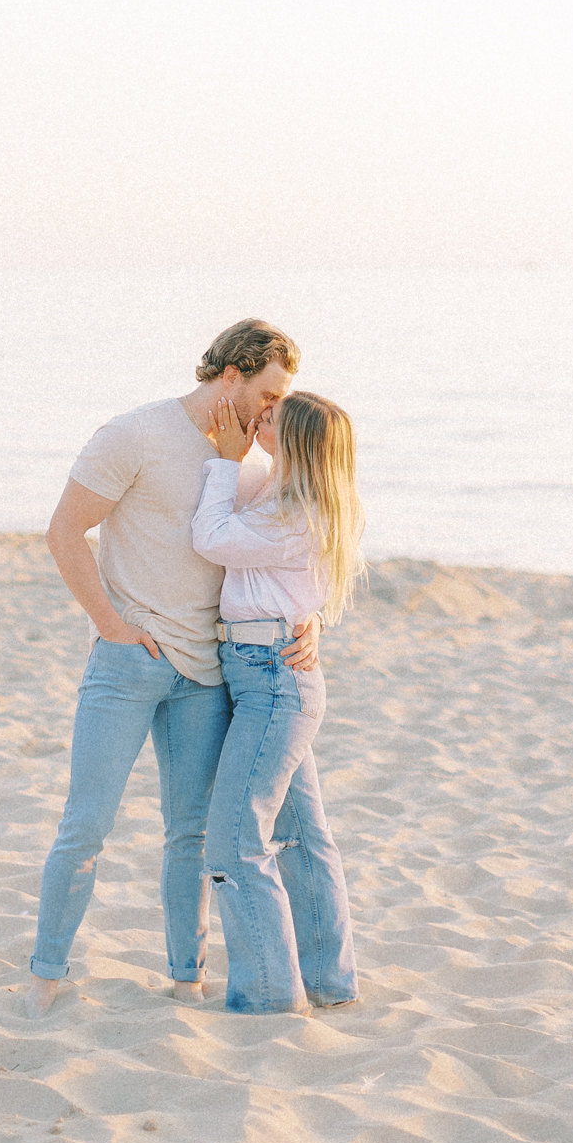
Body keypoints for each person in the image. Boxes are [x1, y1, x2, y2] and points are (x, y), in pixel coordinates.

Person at [25, 319, 322, 1019]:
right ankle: (45, 976)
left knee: (189, 833)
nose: (275, 409)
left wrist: (310, 621)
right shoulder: (133, 434)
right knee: (86, 824)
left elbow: (290, 547)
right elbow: (65, 531)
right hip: (127, 663)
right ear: (231, 377)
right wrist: (112, 627)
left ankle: (185, 977)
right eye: (269, 392)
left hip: (208, 671)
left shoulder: (245, 463)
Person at [191, 389, 363, 1014]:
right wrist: (309, 615)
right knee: (302, 834)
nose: (259, 420)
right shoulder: (287, 496)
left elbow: (211, 537)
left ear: (295, 444)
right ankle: (327, 983)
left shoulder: (297, 512)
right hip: (266, 673)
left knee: (235, 841)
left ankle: (268, 995)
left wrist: (225, 458)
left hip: (271, 680)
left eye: (272, 419)